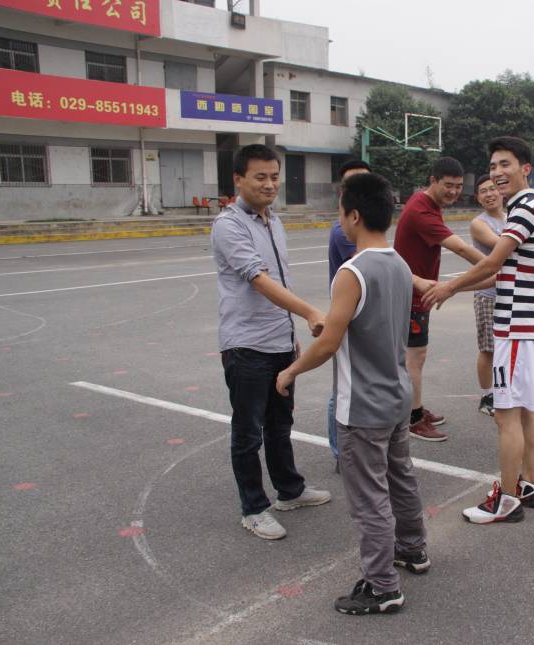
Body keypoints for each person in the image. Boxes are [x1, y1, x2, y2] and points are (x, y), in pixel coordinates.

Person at [276, 172, 428, 616]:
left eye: (341, 211)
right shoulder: (399, 265)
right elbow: (369, 324)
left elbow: (328, 344)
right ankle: (413, 549)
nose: (339, 220)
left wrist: (291, 370)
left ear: (355, 215)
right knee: (400, 477)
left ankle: (382, 586)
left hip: (362, 405)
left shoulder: (353, 271)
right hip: (396, 396)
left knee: (368, 499)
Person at [425, 136, 534, 524]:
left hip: (515, 328)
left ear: (525, 168)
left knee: (505, 415)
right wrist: (449, 287)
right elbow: (503, 273)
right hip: (531, 328)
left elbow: (493, 261)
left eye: (505, 164)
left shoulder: (524, 209)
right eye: (493, 166)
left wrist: (449, 287)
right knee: (527, 411)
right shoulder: (528, 206)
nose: (497, 173)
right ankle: (528, 485)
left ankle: (507, 499)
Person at [210, 144, 331, 541]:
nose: (269, 184)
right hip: (246, 346)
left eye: (275, 176)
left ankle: (290, 491)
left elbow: (281, 281)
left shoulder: (273, 222)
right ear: (238, 179)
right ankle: (253, 508)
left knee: (280, 424)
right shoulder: (228, 225)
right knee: (248, 432)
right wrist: (309, 312)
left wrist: (290, 335)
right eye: (260, 177)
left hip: (279, 342)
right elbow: (259, 280)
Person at [393, 157, 486, 442]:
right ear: (433, 180)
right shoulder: (422, 211)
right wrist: (493, 266)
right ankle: (412, 418)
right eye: (448, 185)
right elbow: (461, 248)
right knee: (415, 356)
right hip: (411, 295)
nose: (454, 192)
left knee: (415, 356)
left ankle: (414, 407)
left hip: (419, 293)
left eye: (458, 186)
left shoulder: (427, 204)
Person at [326, 158, 372, 471]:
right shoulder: (345, 231)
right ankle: (342, 453)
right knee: (342, 388)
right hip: (348, 316)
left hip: (363, 314)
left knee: (357, 384)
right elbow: (370, 264)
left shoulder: (364, 225)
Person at [469, 174, 507, 416]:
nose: (489, 194)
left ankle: (503, 391)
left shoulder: (510, 218)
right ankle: (487, 396)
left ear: (501, 192)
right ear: (478, 198)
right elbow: (503, 246)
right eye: (483, 191)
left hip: (510, 294)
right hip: (488, 295)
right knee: (488, 348)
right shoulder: (479, 224)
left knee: (506, 348)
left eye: (492, 189)